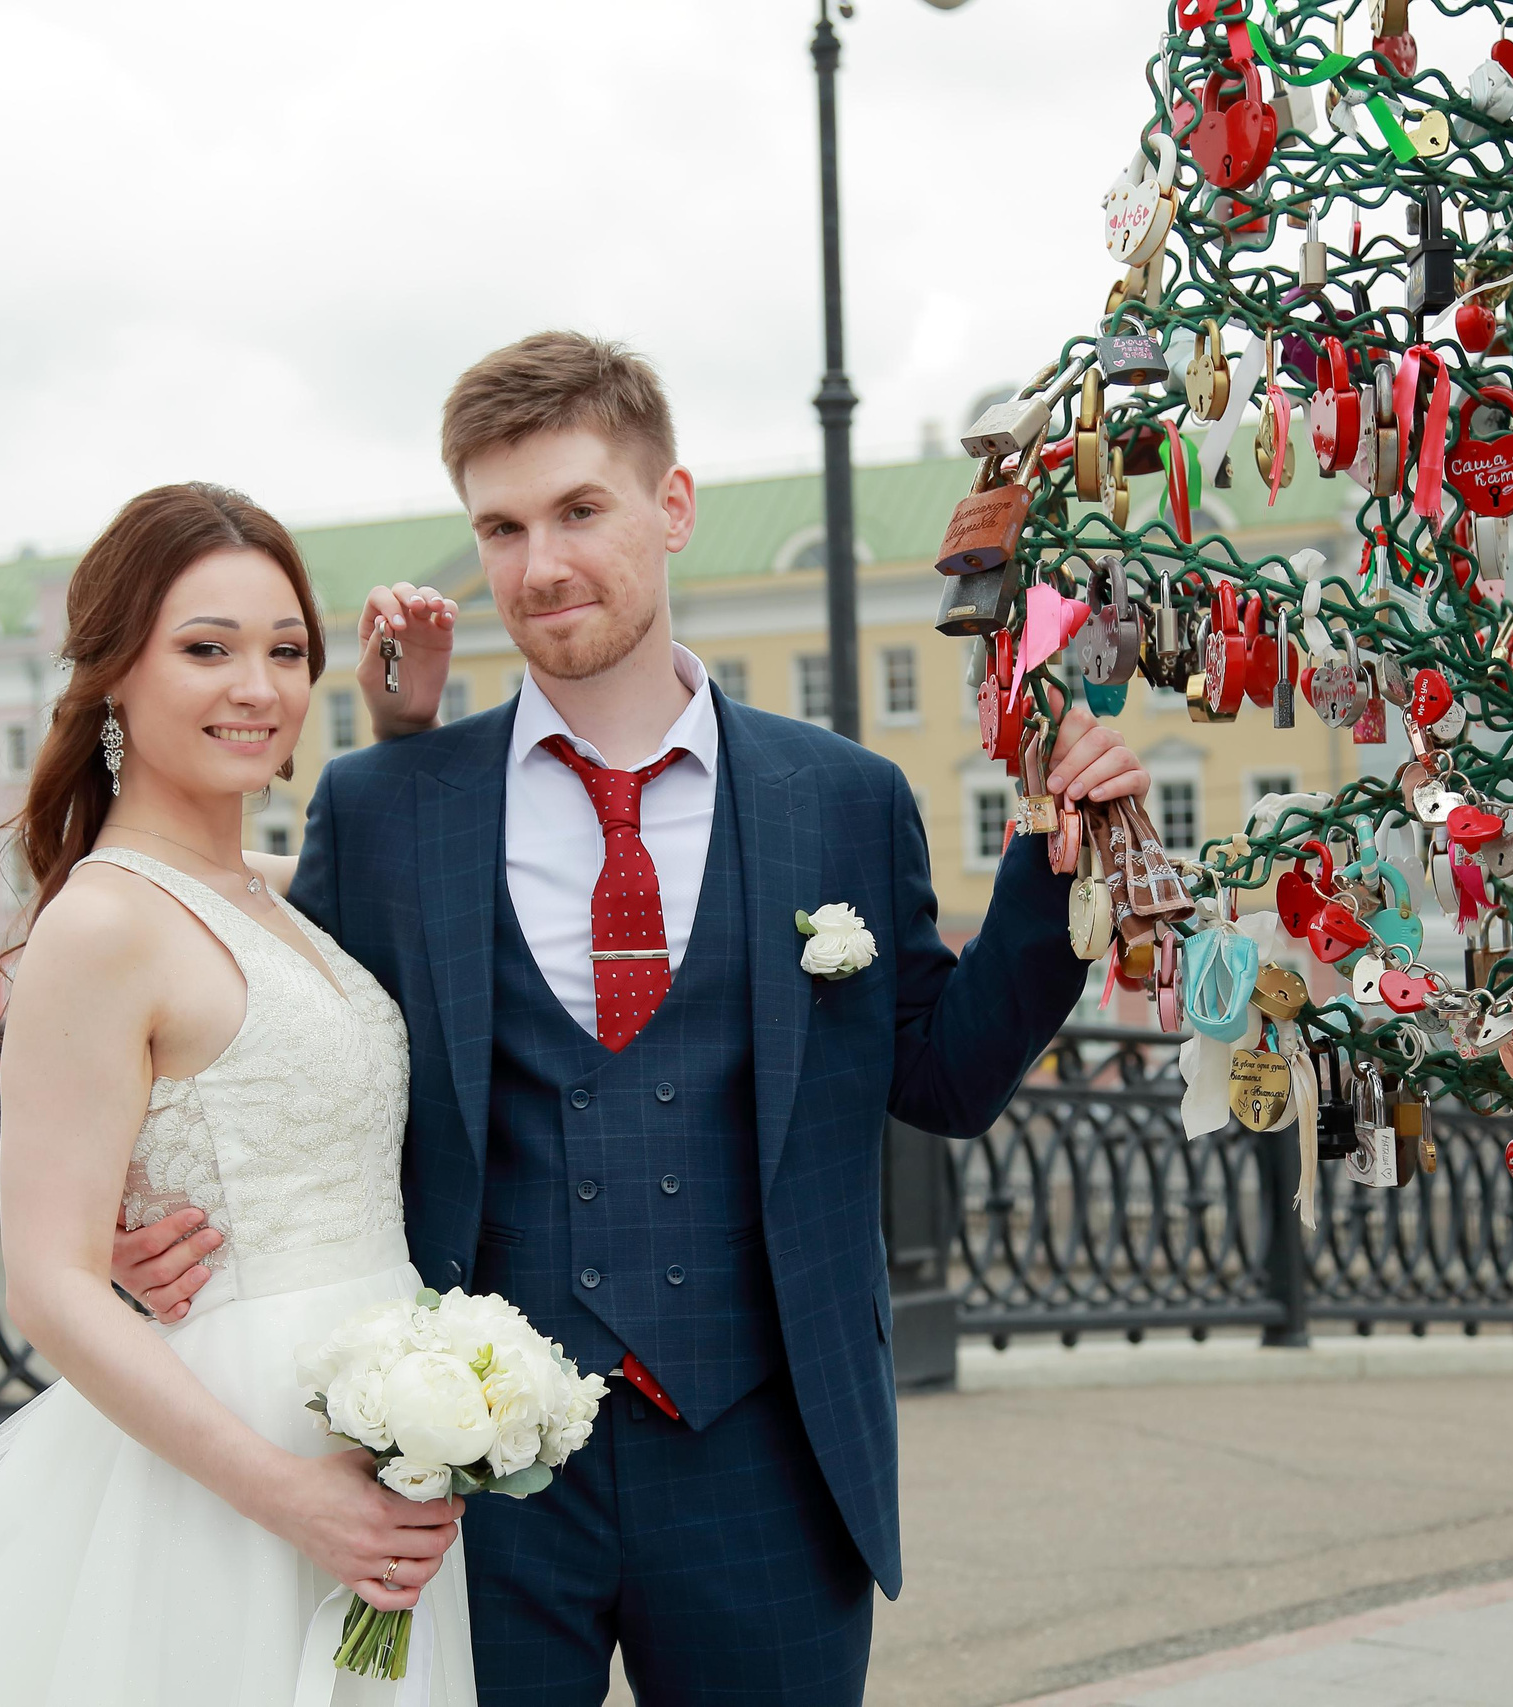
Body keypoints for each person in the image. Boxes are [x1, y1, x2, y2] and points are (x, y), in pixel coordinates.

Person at [114, 334, 1149, 1707]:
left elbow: (945, 1077)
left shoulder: (840, 798)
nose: (539, 564)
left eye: (580, 509)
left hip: (769, 1469)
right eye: (502, 525)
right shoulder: (387, 807)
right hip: (469, 1487)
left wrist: (1047, 876)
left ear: (671, 507)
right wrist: (152, 1203)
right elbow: (294, 1063)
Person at [0, 483, 476, 1706]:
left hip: (384, 1427)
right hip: (241, 1464)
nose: (257, 687)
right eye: (205, 649)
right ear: (116, 675)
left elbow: (407, 880)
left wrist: (402, 732)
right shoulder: (104, 924)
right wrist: (291, 1495)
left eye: (285, 652)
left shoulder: (283, 890)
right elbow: (51, 1281)